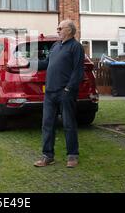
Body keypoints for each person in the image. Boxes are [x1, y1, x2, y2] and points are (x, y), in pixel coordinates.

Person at [33, 19, 84, 168]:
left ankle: (72, 156)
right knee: (47, 125)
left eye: (60, 28)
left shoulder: (76, 47)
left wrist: (69, 89)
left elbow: (78, 71)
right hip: (50, 93)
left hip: (65, 93)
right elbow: (47, 63)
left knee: (69, 124)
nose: (57, 30)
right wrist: (31, 62)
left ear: (69, 30)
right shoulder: (55, 46)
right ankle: (47, 156)